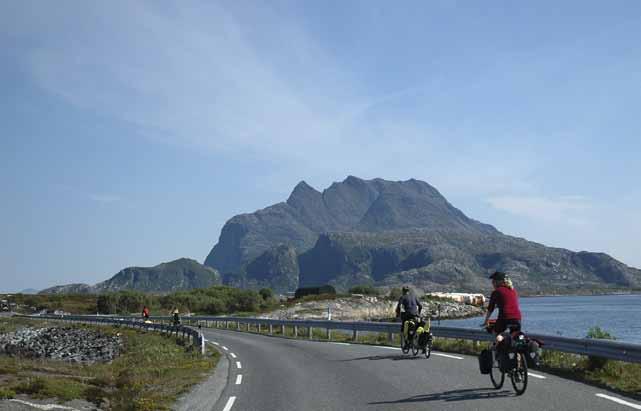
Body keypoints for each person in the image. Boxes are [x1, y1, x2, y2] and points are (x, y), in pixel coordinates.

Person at [483, 271, 522, 344]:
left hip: (505, 317)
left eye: (494, 281)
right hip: (517, 318)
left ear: (499, 282)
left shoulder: (496, 292)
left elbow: (490, 308)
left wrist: (486, 321)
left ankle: (497, 352)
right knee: (514, 337)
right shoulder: (513, 290)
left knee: (497, 333)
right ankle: (516, 354)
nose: (492, 283)